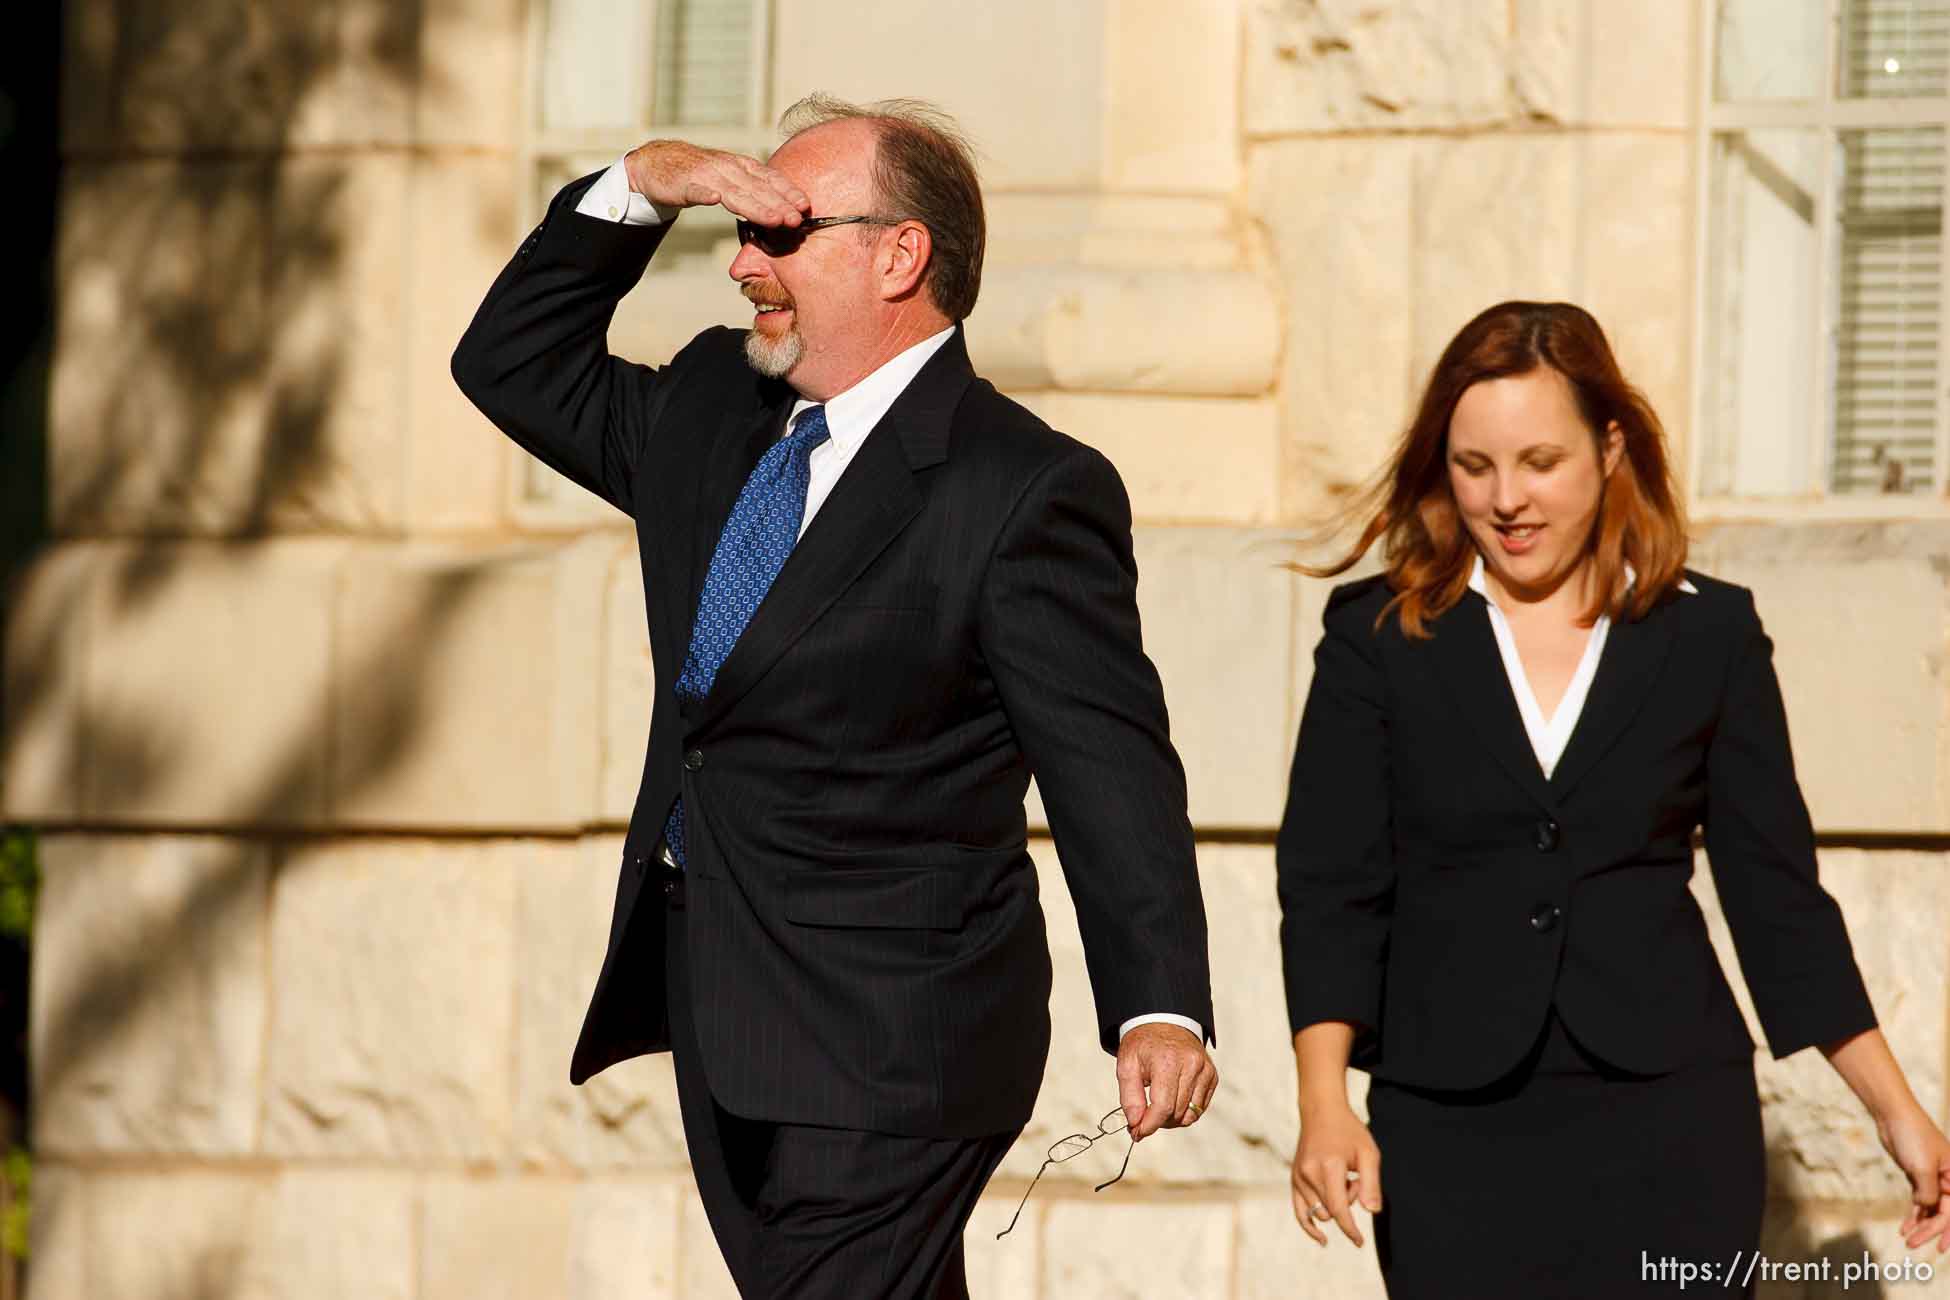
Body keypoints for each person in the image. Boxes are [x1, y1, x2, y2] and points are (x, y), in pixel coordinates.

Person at [450, 94, 1217, 1298]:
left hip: (900, 1040)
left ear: (899, 253)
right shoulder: (712, 407)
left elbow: (1109, 764)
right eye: (738, 228)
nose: (745, 260)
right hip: (726, 1013)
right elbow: (507, 362)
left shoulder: (1023, 489)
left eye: (783, 231)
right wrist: (646, 186)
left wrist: (1160, 1004)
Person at [1276, 300, 1950, 1298]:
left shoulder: (1709, 633)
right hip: (1448, 1132)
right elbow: (1332, 882)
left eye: (1540, 462)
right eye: (1474, 466)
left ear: (1610, 447)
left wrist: (1898, 1110)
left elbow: (1776, 897)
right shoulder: (1377, 635)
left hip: (1675, 1125)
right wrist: (1323, 1100)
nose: (1507, 498)